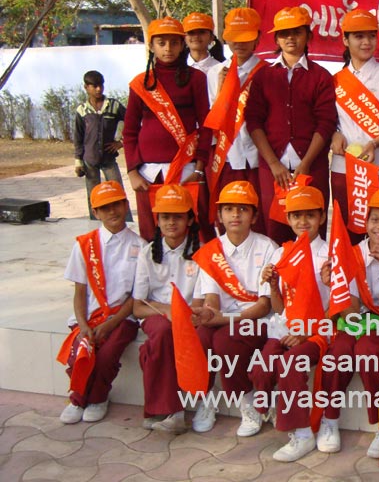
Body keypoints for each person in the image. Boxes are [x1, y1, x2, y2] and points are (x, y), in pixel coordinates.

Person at [317, 187, 379, 457]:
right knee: (338, 353)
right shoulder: (353, 253)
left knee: (369, 351)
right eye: (375, 219)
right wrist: (336, 287)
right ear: (366, 221)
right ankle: (330, 419)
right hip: (359, 319)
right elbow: (351, 314)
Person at [249, 185, 331, 462]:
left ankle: (303, 433)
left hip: (319, 330)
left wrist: (308, 334)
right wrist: (273, 286)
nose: (302, 222)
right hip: (287, 326)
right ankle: (273, 405)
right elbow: (278, 308)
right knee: (262, 366)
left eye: (309, 215)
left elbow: (338, 308)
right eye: (296, 215)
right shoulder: (281, 253)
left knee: (291, 363)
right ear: (288, 218)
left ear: (321, 216)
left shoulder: (330, 254)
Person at [245, 6, 337, 244]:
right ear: (276, 38)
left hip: (311, 168)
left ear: (308, 35)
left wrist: (306, 163)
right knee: (274, 235)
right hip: (273, 170)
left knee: (312, 235)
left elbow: (326, 122)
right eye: (284, 33)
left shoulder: (321, 76)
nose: (290, 38)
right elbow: (253, 120)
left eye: (297, 32)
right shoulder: (264, 76)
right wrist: (274, 164)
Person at [191, 180, 277, 437]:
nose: (235, 215)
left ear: (254, 216)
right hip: (224, 318)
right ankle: (206, 400)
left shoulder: (267, 247)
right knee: (201, 338)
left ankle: (247, 401)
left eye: (243, 209)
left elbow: (263, 306)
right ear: (219, 215)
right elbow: (211, 299)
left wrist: (223, 319)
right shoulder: (211, 252)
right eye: (229, 209)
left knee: (225, 342)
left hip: (257, 320)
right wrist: (208, 314)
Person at [58, 181, 145, 425]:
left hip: (123, 317)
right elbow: (79, 291)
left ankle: (96, 398)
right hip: (89, 316)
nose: (113, 212)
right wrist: (84, 324)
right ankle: (77, 399)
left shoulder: (140, 246)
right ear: (95, 212)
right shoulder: (84, 244)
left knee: (107, 354)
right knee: (81, 351)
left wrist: (111, 324)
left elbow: (136, 296)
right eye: (105, 208)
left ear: (126, 205)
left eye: (117, 204)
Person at [122, 17, 213, 243]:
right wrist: (133, 172)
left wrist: (200, 168)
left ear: (182, 45)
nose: (168, 49)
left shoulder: (196, 78)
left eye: (174, 43)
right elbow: (129, 131)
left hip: (187, 171)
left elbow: (206, 125)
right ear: (151, 46)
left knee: (195, 231)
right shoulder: (140, 83)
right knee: (152, 233)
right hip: (148, 175)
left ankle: (197, 278)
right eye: (161, 43)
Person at [132, 184, 202, 433]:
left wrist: (183, 314)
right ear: (157, 220)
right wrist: (166, 310)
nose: (171, 222)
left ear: (190, 219)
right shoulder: (147, 253)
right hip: (157, 316)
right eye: (165, 216)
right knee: (162, 333)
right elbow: (138, 307)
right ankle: (172, 411)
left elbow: (202, 300)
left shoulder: (202, 252)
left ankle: (162, 409)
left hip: (191, 318)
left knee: (154, 347)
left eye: (178, 216)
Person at [330, 9, 379, 242]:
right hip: (344, 166)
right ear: (345, 39)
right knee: (347, 231)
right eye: (358, 36)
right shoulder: (337, 79)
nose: (366, 42)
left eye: (371, 36)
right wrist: (334, 134)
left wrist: (375, 143)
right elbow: (330, 119)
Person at [205, 7, 268, 235]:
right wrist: (224, 94)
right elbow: (212, 120)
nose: (239, 44)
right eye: (234, 38)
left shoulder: (267, 72)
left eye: (246, 38)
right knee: (227, 222)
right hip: (226, 156)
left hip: (255, 158)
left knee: (257, 220)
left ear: (258, 38)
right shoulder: (215, 72)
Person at [74, 70, 128, 220]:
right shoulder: (82, 110)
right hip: (89, 160)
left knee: (118, 192)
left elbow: (132, 122)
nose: (99, 89)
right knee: (94, 197)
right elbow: (78, 137)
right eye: (94, 86)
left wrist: (120, 142)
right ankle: (96, 225)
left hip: (108, 159)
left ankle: (126, 222)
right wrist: (78, 161)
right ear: (86, 87)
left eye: (101, 85)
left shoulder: (113, 106)